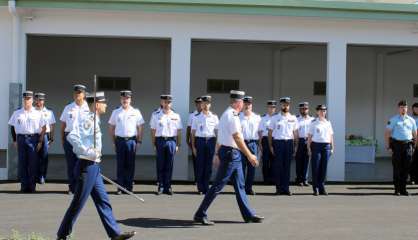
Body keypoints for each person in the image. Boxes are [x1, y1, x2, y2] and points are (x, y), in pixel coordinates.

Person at [56, 91, 136, 240]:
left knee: (103, 201)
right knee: (78, 204)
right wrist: (86, 151)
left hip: (94, 167)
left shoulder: (95, 119)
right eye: (104, 102)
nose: (106, 105)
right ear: (97, 104)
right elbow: (71, 136)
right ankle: (62, 234)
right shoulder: (89, 119)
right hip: (87, 166)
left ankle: (115, 234)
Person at [194, 90, 264, 226]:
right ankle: (200, 213)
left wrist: (216, 153)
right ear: (238, 102)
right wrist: (250, 156)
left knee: (240, 186)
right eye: (242, 101)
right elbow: (237, 137)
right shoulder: (231, 115)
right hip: (231, 154)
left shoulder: (227, 114)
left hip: (232, 153)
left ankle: (248, 214)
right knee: (218, 186)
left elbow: (221, 136)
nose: (244, 104)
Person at [8, 91, 46, 193]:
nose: (26, 101)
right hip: (21, 139)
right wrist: (15, 140)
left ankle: (32, 186)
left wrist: (40, 141)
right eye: (25, 99)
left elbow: (43, 128)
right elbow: (12, 127)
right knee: (22, 163)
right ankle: (24, 186)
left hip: (33, 139)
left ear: (32, 100)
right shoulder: (17, 113)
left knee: (33, 163)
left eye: (28, 99)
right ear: (23, 100)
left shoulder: (38, 113)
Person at [108, 90, 145, 194]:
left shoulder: (136, 112)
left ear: (130, 99)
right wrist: (113, 142)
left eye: (127, 98)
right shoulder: (116, 112)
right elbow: (111, 127)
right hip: (119, 141)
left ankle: (129, 187)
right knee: (120, 165)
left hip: (132, 141)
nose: (125, 100)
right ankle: (120, 187)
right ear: (121, 99)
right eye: (123, 98)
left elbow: (140, 127)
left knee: (130, 165)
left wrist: (139, 141)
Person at [150, 94, 182, 195]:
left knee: (170, 165)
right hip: (160, 141)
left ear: (171, 103)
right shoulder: (156, 115)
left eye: (169, 102)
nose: (167, 104)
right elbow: (153, 131)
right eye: (165, 102)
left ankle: (168, 186)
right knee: (160, 164)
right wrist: (154, 143)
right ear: (161, 102)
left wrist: (178, 144)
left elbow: (179, 131)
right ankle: (161, 186)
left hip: (171, 141)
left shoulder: (176, 115)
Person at [60, 84, 90, 194]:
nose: (77, 95)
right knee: (71, 164)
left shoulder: (89, 108)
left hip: (83, 139)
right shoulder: (68, 107)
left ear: (84, 94)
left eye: (79, 93)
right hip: (69, 138)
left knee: (82, 164)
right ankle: (72, 187)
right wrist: (63, 139)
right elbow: (63, 124)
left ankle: (81, 187)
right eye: (75, 93)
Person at [385, 100, 417, 196]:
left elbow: (415, 134)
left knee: (406, 168)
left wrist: (414, 146)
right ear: (398, 108)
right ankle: (397, 189)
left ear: (407, 108)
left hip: (408, 145)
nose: (404, 109)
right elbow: (387, 134)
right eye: (402, 107)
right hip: (397, 145)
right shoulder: (393, 119)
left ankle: (403, 189)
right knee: (397, 168)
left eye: (405, 107)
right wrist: (388, 147)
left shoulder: (411, 120)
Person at [268, 97, 299, 195]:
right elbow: (270, 132)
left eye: (287, 104)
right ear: (281, 105)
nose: (285, 106)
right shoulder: (275, 118)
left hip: (289, 143)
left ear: (289, 106)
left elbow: (296, 133)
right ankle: (278, 188)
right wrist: (271, 146)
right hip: (278, 143)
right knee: (278, 166)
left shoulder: (293, 118)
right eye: (284, 104)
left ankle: (286, 188)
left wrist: (296, 146)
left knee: (287, 167)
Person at [191, 95, 219, 194]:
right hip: (200, 141)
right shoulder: (196, 117)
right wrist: (193, 147)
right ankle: (200, 187)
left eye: (207, 103)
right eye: (204, 103)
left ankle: (206, 187)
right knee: (200, 165)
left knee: (208, 166)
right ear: (201, 104)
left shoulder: (214, 117)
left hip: (211, 141)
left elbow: (217, 132)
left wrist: (217, 147)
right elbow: (193, 133)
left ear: (210, 104)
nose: (206, 105)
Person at [307, 105, 334, 196]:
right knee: (316, 167)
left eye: (324, 110)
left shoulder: (328, 122)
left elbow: (331, 135)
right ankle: (315, 188)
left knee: (323, 168)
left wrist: (332, 147)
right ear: (317, 112)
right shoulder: (313, 122)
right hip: (316, 146)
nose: (323, 112)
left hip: (326, 146)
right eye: (321, 110)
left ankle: (322, 187)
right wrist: (309, 148)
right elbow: (310, 137)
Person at [239, 96, 261, 195]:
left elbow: (260, 132)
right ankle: (241, 188)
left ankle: (249, 188)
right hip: (242, 143)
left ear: (252, 105)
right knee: (241, 167)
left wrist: (260, 145)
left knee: (252, 167)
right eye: (245, 104)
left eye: (249, 104)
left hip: (253, 143)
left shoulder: (257, 117)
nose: (247, 106)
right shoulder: (238, 117)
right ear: (243, 105)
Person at [34, 92, 56, 184]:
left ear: (44, 100)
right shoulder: (32, 111)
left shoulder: (49, 112)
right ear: (35, 100)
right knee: (34, 157)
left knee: (44, 157)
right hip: (34, 135)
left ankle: (42, 176)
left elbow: (52, 125)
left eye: (41, 100)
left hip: (45, 136)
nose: (39, 101)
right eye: (38, 99)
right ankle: (34, 175)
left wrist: (51, 138)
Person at [295, 102, 314, 187]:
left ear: (308, 109)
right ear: (300, 110)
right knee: (299, 161)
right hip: (299, 141)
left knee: (307, 161)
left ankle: (305, 179)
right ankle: (299, 179)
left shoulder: (312, 120)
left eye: (306, 108)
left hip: (309, 141)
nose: (304, 110)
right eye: (302, 109)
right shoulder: (296, 119)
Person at [258, 100, 277, 184]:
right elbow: (260, 132)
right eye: (270, 107)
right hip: (265, 140)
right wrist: (260, 144)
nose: (271, 109)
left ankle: (273, 179)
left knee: (274, 161)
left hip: (275, 140)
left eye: (273, 107)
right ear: (267, 108)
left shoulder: (278, 118)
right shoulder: (263, 118)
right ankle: (266, 179)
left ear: (275, 108)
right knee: (265, 161)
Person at [187, 97, 203, 183]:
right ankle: (197, 178)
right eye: (198, 103)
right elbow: (189, 129)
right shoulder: (192, 115)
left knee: (204, 161)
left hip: (204, 140)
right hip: (195, 139)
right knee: (196, 161)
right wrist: (188, 141)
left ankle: (202, 179)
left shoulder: (207, 114)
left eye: (201, 103)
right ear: (196, 104)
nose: (199, 105)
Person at [409, 102, 418, 184]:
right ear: (413, 109)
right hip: (413, 141)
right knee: (412, 160)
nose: (416, 110)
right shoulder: (410, 118)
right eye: (415, 108)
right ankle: (412, 178)